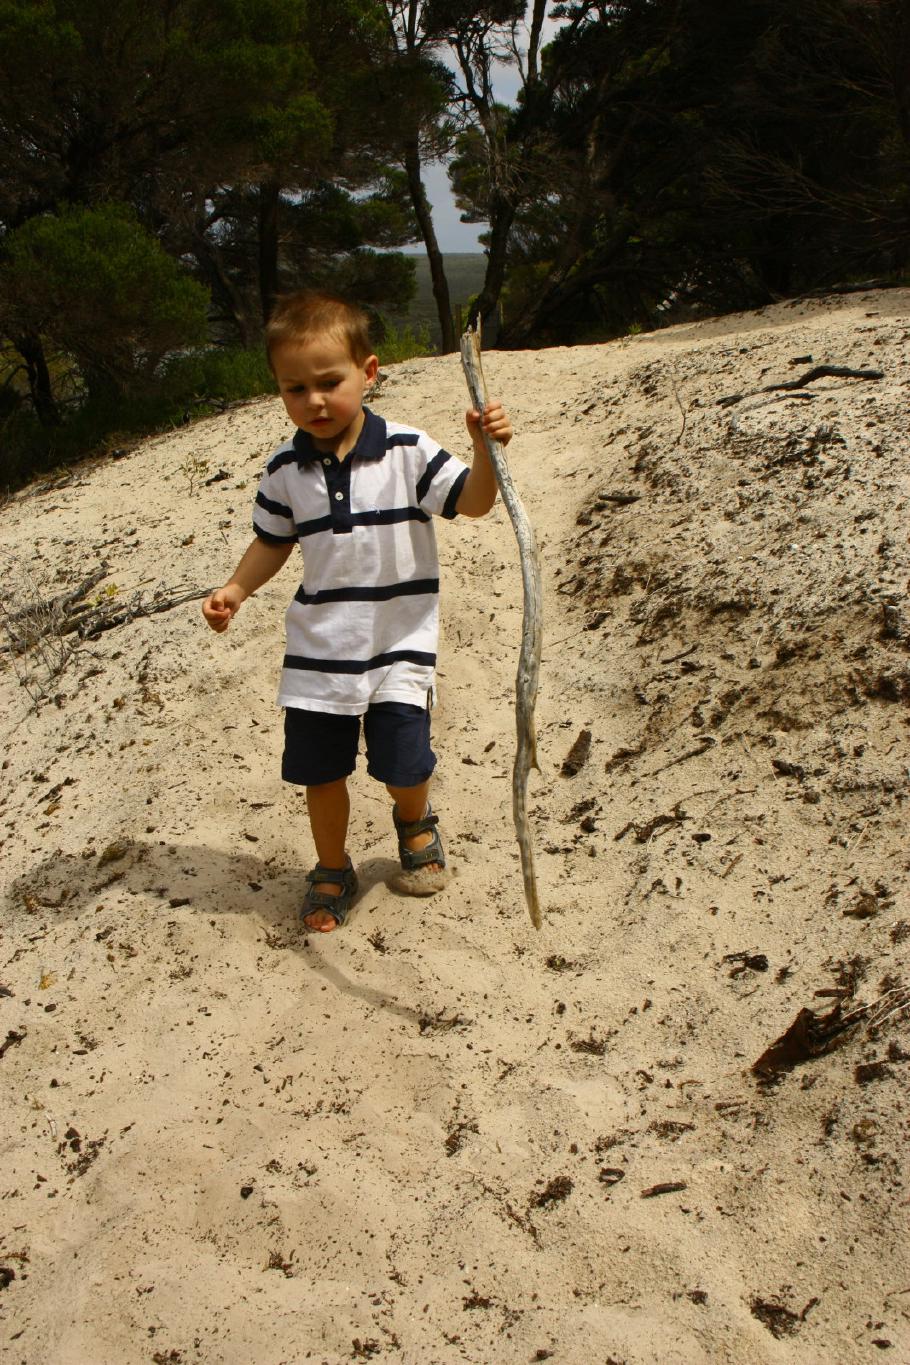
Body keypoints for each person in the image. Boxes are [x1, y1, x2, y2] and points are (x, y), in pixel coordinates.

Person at [202, 291, 512, 933]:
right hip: (320, 651)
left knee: (405, 764)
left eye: (329, 382)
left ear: (367, 374)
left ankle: (413, 821)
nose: (313, 401)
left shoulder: (406, 450)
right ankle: (331, 866)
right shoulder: (285, 469)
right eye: (295, 389)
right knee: (321, 771)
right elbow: (272, 540)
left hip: (400, 646)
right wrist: (236, 589)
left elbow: (475, 503)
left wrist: (485, 450)